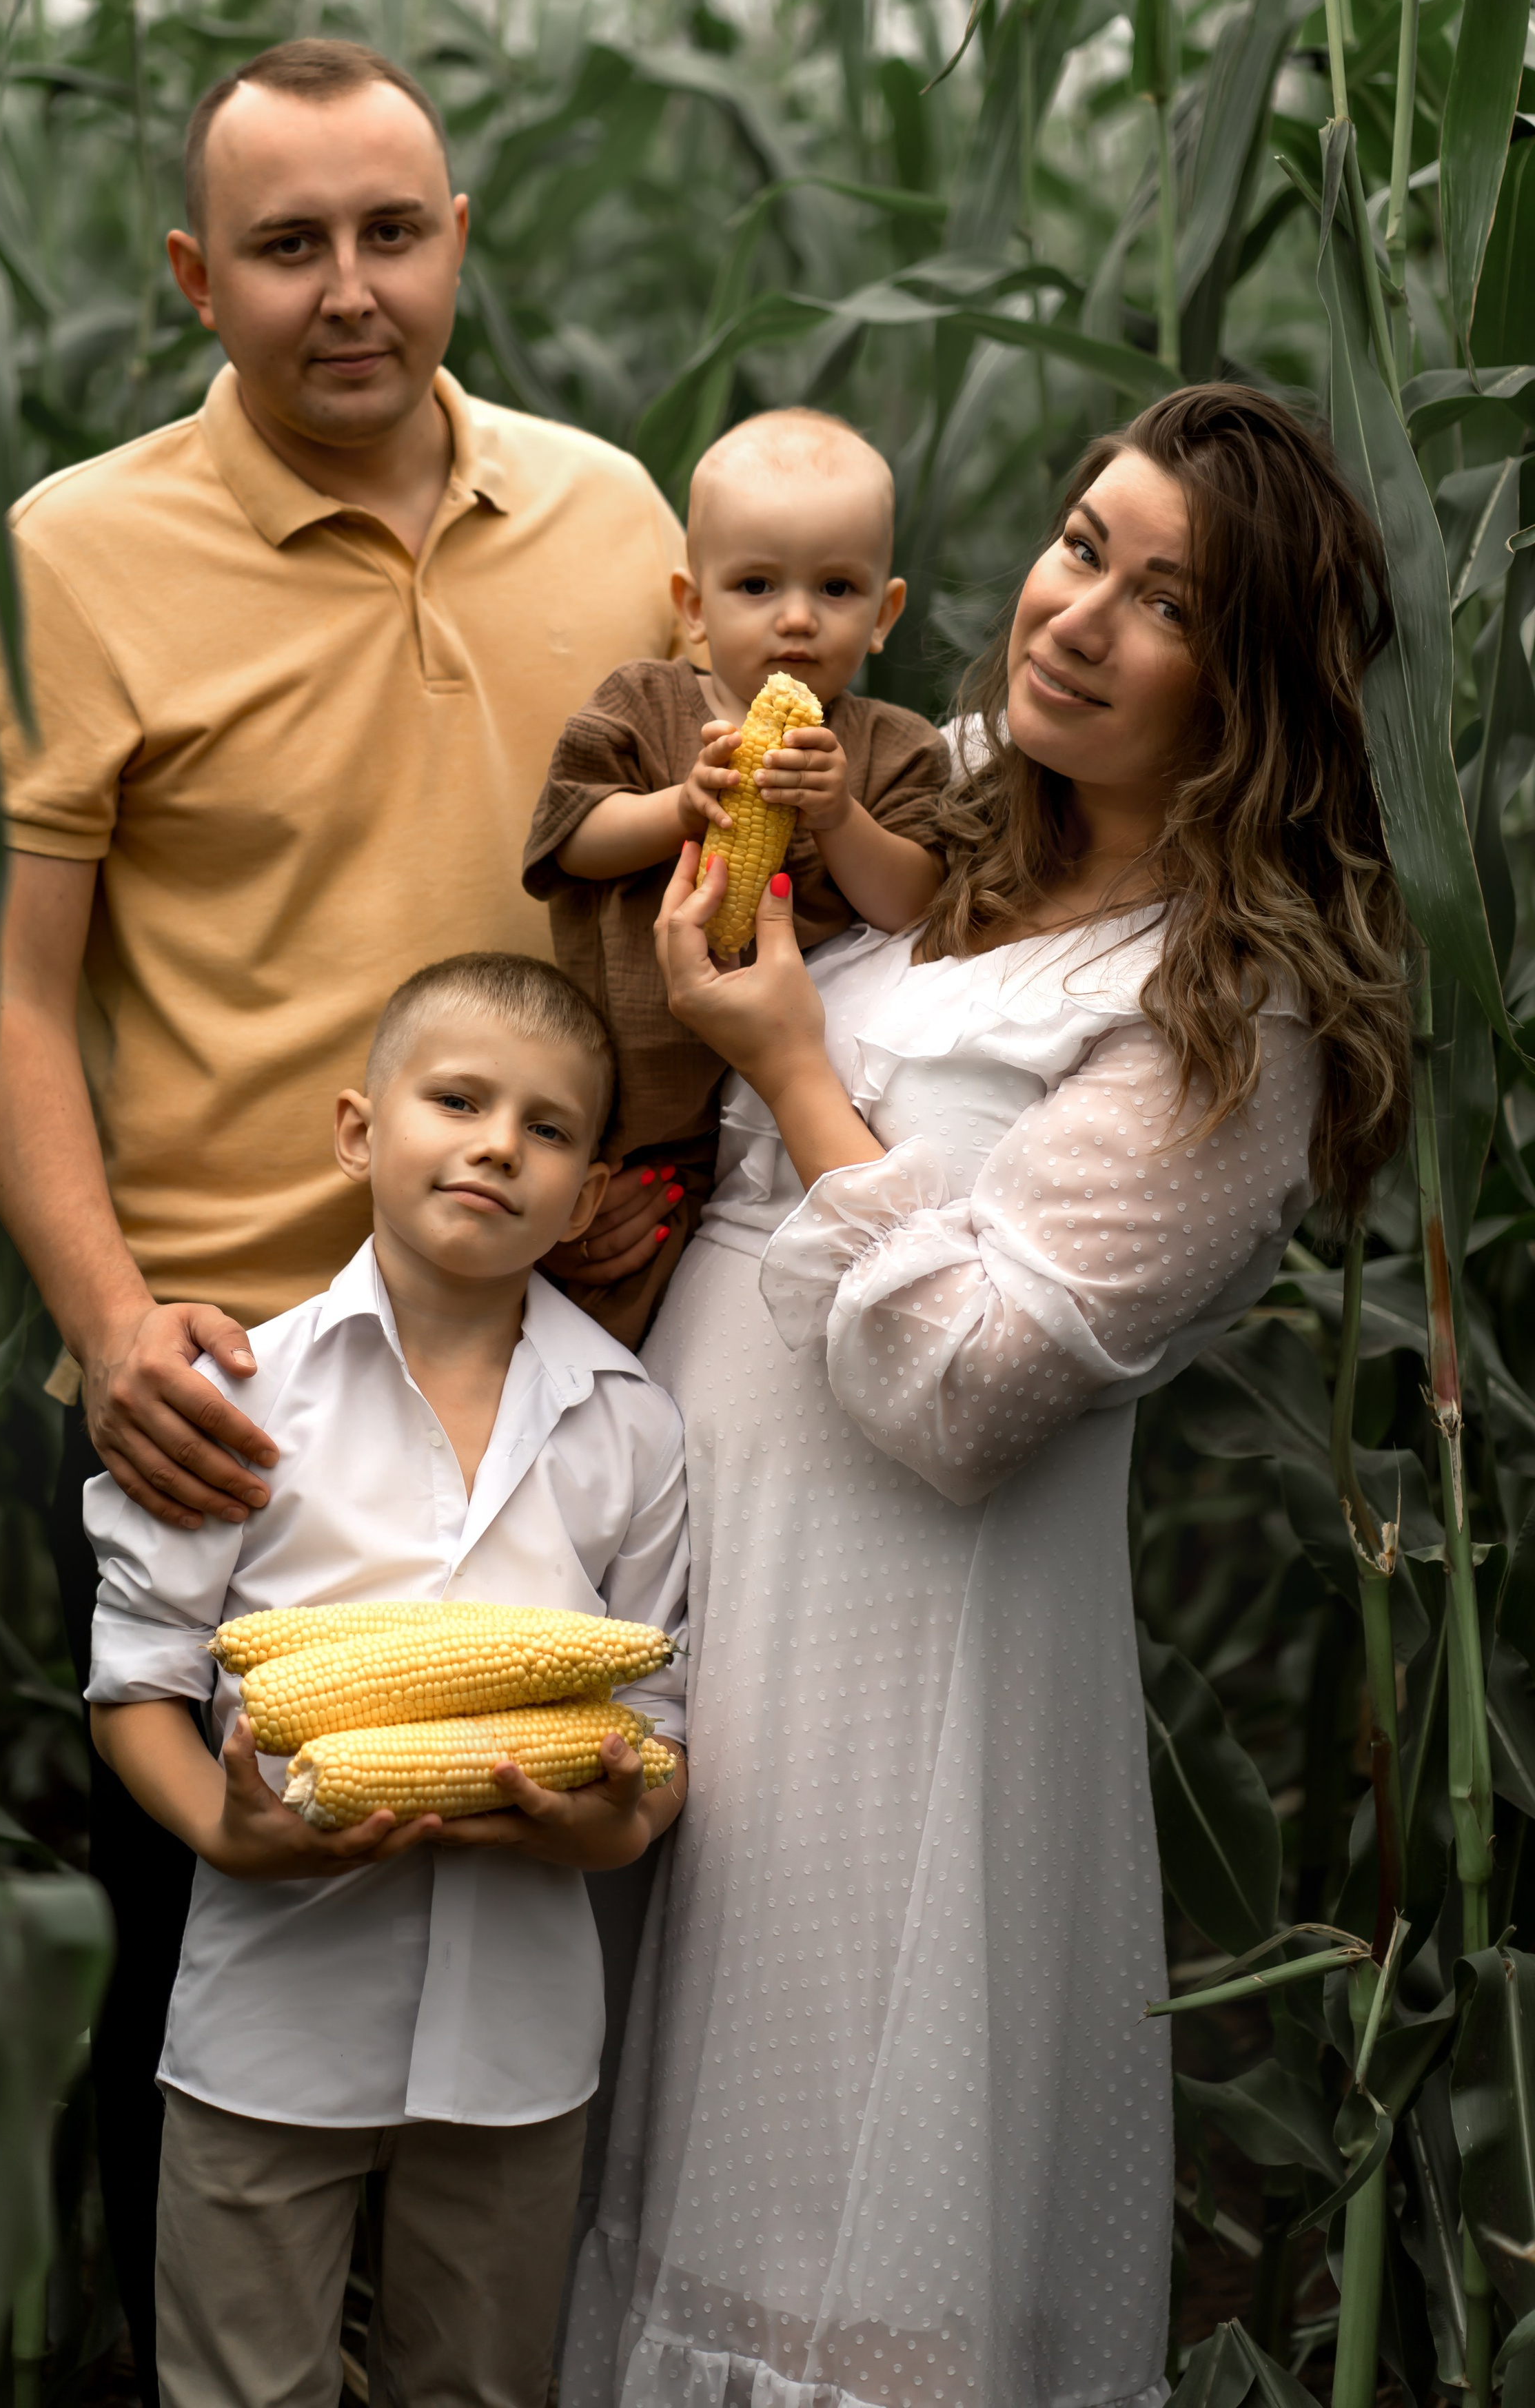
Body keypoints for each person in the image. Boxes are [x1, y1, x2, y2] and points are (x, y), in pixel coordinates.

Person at [0, 37, 691, 2394]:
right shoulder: (78, 558)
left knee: (525, 2029)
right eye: (287, 246)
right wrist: (109, 1329)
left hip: (548, 1387)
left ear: (460, 240)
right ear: (198, 276)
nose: (348, 289)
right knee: (207, 2026)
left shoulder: (612, 521)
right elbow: (5, 1001)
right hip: (231, 1402)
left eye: (392, 232)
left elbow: (697, 894)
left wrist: (672, 1190)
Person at [562, 384, 1412, 2408]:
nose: (1076, 615)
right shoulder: (934, 803)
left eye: (1166, 605)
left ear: (1254, 692)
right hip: (693, 1583)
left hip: (900, 1649)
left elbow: (972, 1391)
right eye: (1079, 545)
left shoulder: (1225, 1004)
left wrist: (789, 1069)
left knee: (818, 2181)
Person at [86, 952, 689, 2408]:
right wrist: (225, 1829)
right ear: (359, 1132)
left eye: (549, 1128)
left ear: (591, 1194)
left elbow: (657, 1726)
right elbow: (137, 1686)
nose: (499, 1146)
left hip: (519, 2043)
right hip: (267, 2014)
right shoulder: (239, 1397)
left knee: (479, 2387)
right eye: (458, 1102)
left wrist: (608, 1821)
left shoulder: (633, 1426)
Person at [524, 409, 950, 1345]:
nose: (796, 617)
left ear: (884, 614)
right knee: (577, 1327)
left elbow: (912, 902)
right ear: (692, 606)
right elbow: (570, 839)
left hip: (779, 1143)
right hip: (624, 1109)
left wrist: (839, 816)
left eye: (836, 588)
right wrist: (679, 807)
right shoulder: (641, 704)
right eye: (756, 585)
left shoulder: (897, 751)